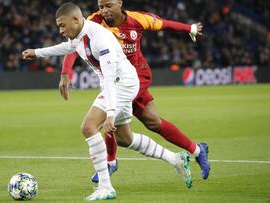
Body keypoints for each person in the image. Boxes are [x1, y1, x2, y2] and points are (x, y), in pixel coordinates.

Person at [22, 2, 192, 201]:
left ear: (76, 20)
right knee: (125, 139)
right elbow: (67, 48)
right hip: (119, 84)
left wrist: (110, 113)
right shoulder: (80, 35)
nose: (60, 30)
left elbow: (111, 79)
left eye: (62, 25)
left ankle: (105, 186)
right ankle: (176, 159)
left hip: (122, 84)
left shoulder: (100, 38)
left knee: (88, 126)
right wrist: (37, 52)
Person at [59, 0, 210, 183]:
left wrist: (189, 28)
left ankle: (110, 161)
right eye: (101, 7)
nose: (104, 11)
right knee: (152, 122)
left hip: (136, 76)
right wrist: (66, 72)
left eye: (108, 6)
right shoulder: (94, 22)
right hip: (116, 78)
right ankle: (197, 149)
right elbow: (75, 44)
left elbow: (164, 24)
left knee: (108, 112)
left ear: (119, 3)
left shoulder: (137, 19)